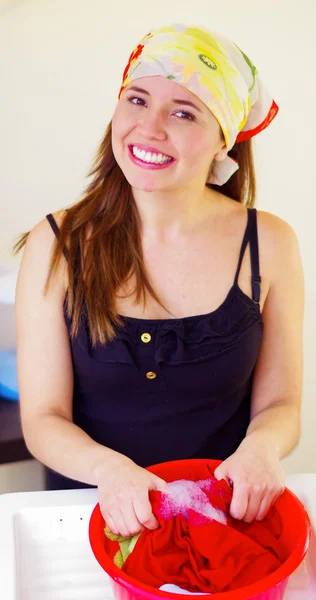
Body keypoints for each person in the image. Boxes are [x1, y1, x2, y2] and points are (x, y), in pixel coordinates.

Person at [14, 24, 304, 538]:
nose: (149, 128)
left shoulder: (270, 244)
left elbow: (281, 405)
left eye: (184, 112)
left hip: (221, 517)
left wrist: (260, 448)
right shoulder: (56, 244)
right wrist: (111, 472)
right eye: (137, 99)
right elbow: (44, 419)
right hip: (90, 514)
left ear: (224, 140)